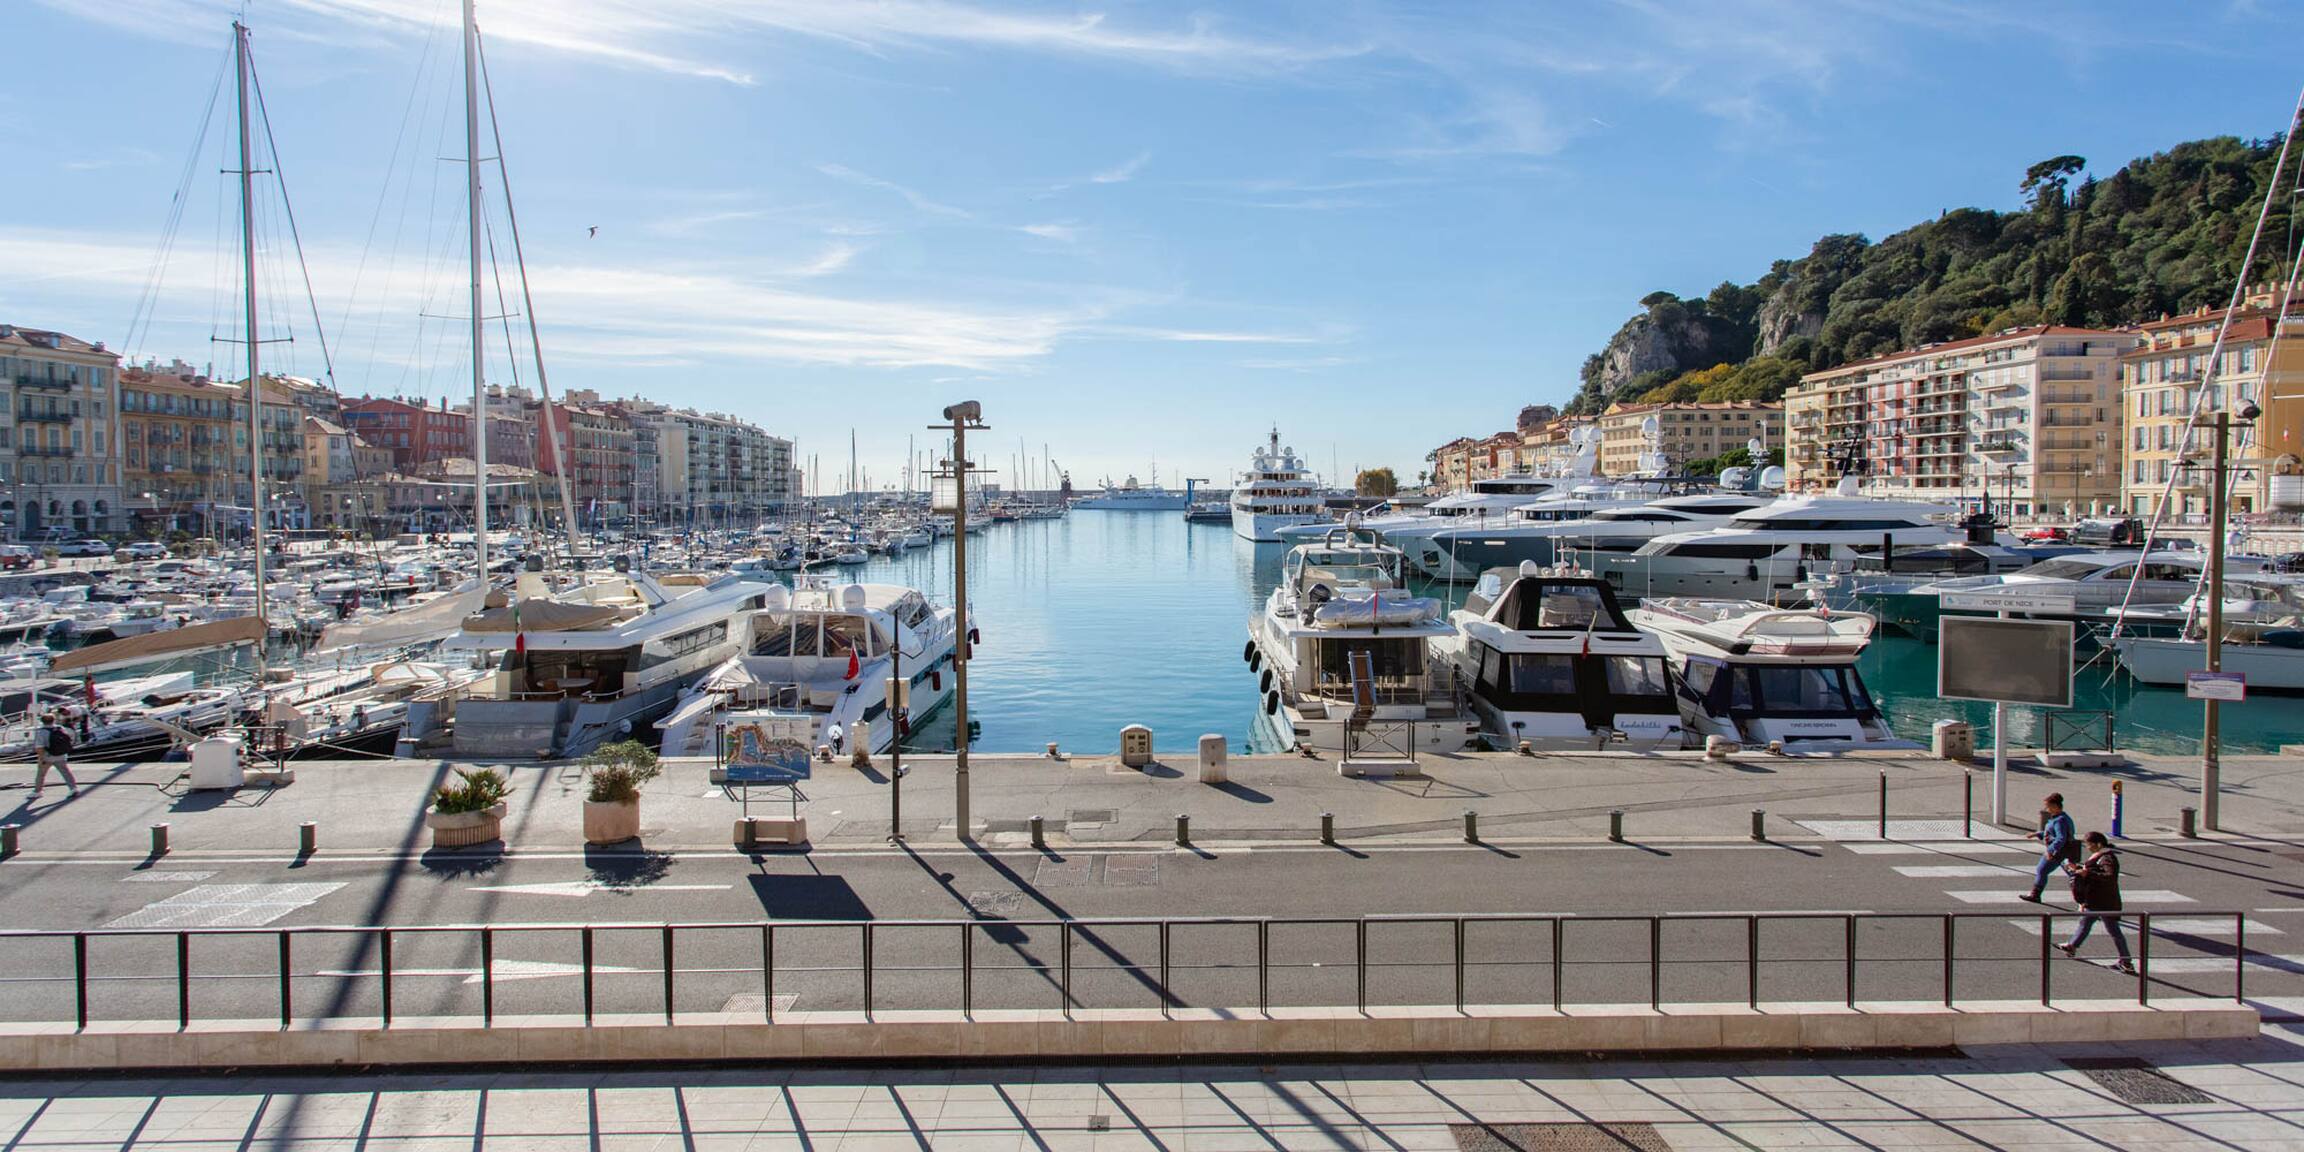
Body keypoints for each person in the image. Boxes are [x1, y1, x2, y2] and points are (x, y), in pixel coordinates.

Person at [2059, 831, 2135, 973]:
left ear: (2098, 844)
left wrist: (2087, 873)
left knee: (2113, 931)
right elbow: (2093, 871)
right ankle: (2072, 946)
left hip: (2105, 901)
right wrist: (2079, 869)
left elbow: (2109, 876)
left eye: (2089, 844)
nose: (2087, 847)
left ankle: (2126, 962)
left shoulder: (2107, 858)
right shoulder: (2100, 856)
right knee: (2085, 922)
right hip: (2096, 899)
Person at [2019, 792, 2077, 903]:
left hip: (2058, 851)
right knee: (2072, 874)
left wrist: (2050, 850)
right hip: (2065, 851)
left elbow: (2060, 838)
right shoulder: (2061, 818)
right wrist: (2037, 834)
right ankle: (2086, 897)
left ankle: (2035, 895)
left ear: (2055, 806)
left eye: (2048, 806)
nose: (2046, 809)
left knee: (2042, 870)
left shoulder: (2059, 821)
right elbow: (2051, 833)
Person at [32, 712, 79, 799]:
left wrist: (41, 758)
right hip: (61, 755)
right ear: (54, 720)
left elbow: (39, 747)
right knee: (66, 772)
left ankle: (37, 792)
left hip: (48, 756)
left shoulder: (41, 731)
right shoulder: (60, 728)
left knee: (41, 774)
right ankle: (73, 788)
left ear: (42, 721)